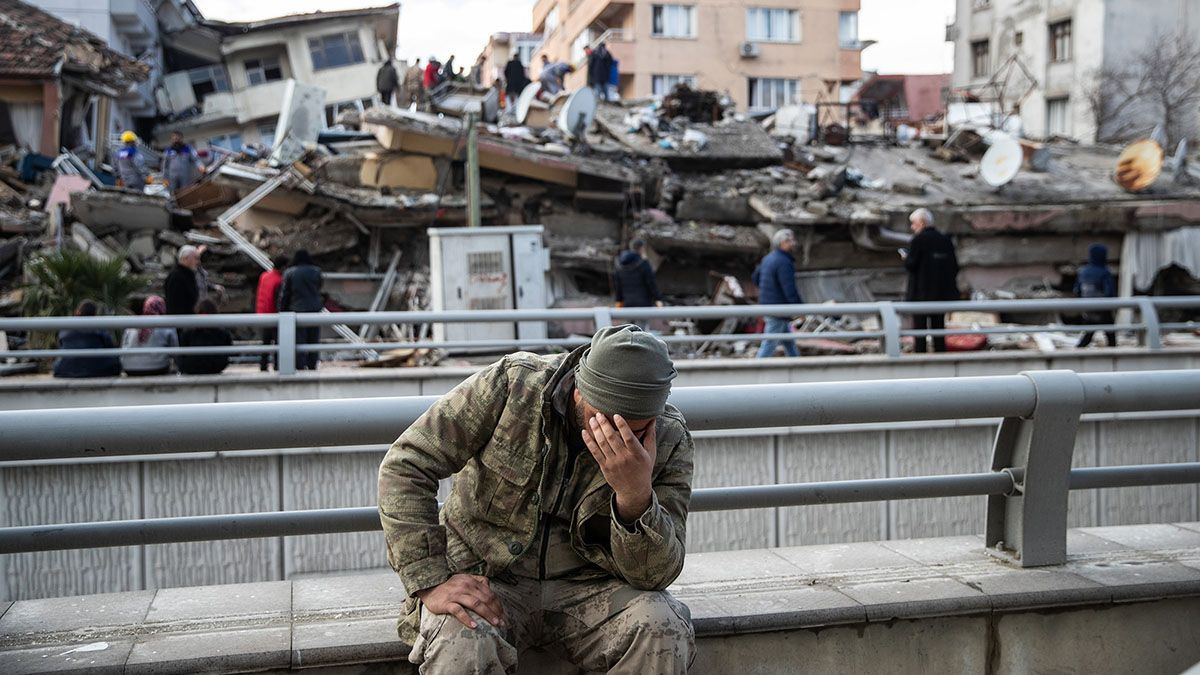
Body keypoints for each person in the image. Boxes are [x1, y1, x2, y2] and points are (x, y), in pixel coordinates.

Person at [379, 325, 694, 673]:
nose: (616, 439)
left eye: (634, 432)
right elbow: (406, 464)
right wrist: (431, 581)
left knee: (662, 627)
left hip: (590, 587)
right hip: (489, 578)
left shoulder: (668, 437)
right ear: (578, 391)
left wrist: (635, 496)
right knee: (461, 638)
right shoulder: (514, 385)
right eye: (603, 422)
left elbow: (656, 576)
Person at [902, 208, 959, 353]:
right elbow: (954, 267)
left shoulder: (918, 240)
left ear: (921, 223)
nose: (912, 227)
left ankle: (921, 357)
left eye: (913, 223)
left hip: (920, 295)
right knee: (938, 328)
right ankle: (940, 355)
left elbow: (911, 265)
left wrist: (905, 258)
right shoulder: (945, 240)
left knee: (919, 331)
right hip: (941, 294)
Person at [752, 229, 803, 358]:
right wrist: (799, 307)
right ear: (783, 243)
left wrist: (767, 291)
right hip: (778, 307)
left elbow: (755, 278)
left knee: (788, 341)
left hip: (769, 305)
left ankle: (797, 365)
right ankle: (756, 369)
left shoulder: (768, 258)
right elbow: (789, 289)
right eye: (790, 241)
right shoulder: (784, 262)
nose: (793, 243)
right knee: (770, 343)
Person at [52, 300, 122, 379]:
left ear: (78, 311)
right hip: (97, 369)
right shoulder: (99, 327)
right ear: (94, 314)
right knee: (115, 362)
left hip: (65, 369)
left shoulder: (65, 328)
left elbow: (61, 345)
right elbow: (110, 346)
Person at [279, 249, 323, 371]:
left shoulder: (289, 273)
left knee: (299, 339)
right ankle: (312, 363)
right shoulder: (316, 271)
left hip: (297, 310)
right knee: (314, 338)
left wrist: (282, 309)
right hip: (314, 309)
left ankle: (300, 364)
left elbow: (285, 293)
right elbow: (319, 287)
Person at [120, 295, 177, 377]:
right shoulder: (166, 324)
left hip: (129, 368)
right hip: (157, 368)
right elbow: (175, 351)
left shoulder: (131, 324)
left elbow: (123, 346)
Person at [1075, 243, 1118, 348]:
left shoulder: (1083, 272)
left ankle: (1077, 353)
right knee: (1111, 336)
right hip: (1103, 309)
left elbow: (1077, 290)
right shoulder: (1104, 272)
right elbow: (1110, 292)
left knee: (1087, 335)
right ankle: (1114, 357)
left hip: (1088, 309)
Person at [613, 238, 664, 326]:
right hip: (643, 304)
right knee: (641, 332)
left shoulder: (620, 265)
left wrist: (619, 301)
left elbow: (618, 286)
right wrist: (658, 299)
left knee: (627, 331)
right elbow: (651, 283)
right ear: (642, 248)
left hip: (627, 304)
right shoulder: (643, 264)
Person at [178, 299, 232, 375]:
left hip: (191, 366)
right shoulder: (222, 332)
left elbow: (182, 349)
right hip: (216, 366)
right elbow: (229, 348)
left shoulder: (189, 331)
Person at [255, 255, 288, 371]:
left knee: (265, 342)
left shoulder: (264, 276)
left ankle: (263, 365)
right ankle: (277, 366)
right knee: (278, 342)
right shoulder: (279, 280)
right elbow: (277, 300)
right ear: (283, 267)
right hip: (273, 314)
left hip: (262, 313)